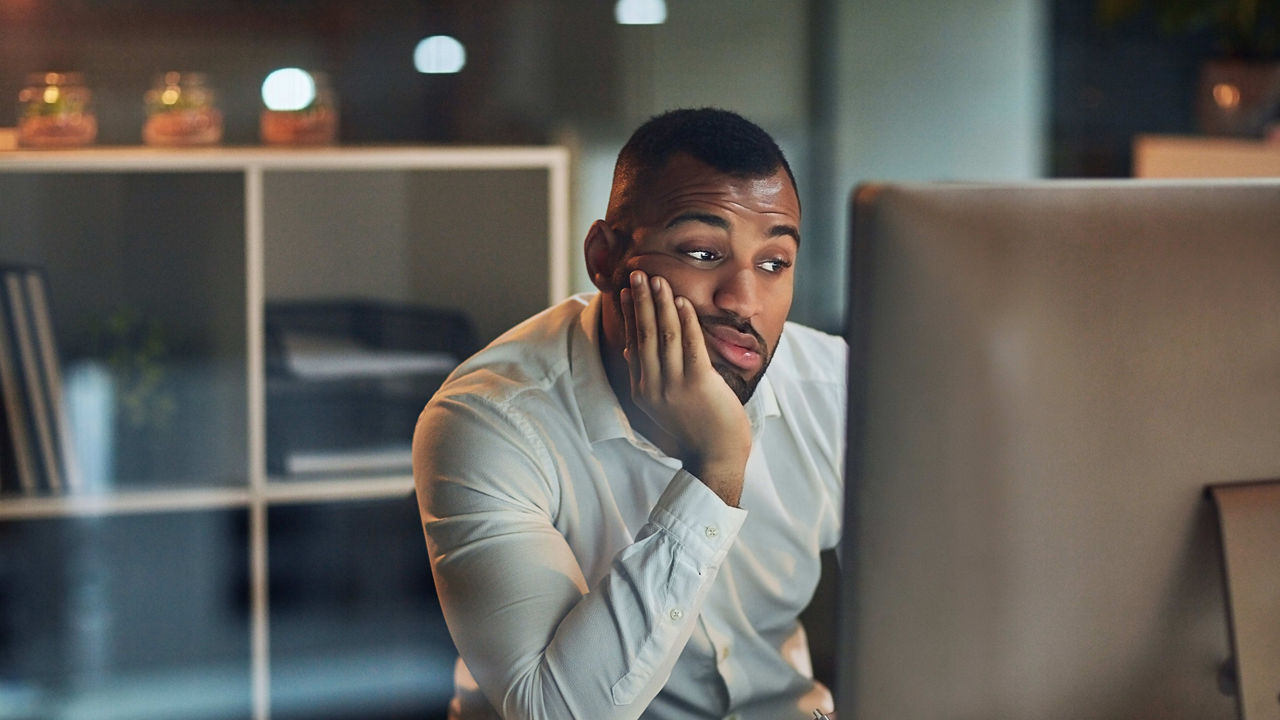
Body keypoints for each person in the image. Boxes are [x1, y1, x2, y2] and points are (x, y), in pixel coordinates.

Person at [413, 107, 846, 720]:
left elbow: (936, 612)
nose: (744, 300)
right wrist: (716, 469)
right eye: (702, 252)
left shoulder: (835, 386)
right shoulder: (487, 419)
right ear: (604, 258)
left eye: (773, 263)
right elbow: (552, 712)